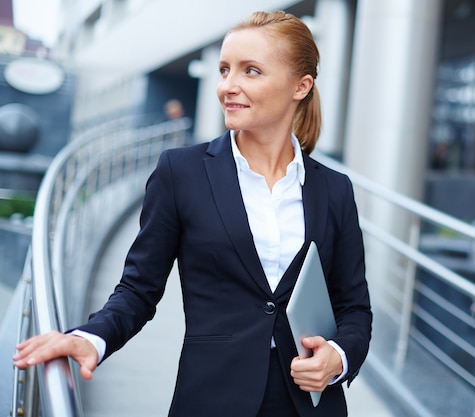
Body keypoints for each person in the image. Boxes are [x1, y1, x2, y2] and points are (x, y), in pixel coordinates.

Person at [13, 10, 372, 417]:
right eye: (224, 69)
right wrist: (91, 338)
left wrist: (338, 359)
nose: (227, 86)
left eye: (250, 71)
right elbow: (137, 290)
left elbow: (354, 307)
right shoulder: (180, 172)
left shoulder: (334, 189)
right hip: (211, 398)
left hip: (310, 404)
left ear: (300, 86)